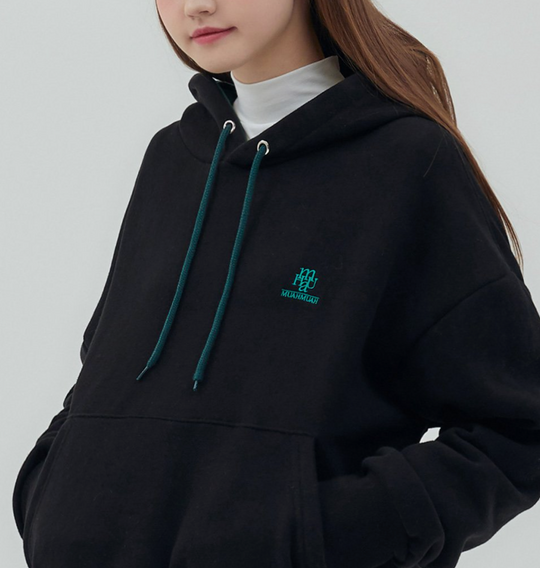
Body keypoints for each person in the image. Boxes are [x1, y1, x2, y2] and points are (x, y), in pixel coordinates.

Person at [12, 0, 540, 567]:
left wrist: (323, 535)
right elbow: (104, 373)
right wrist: (52, 492)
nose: (196, 5)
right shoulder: (171, 157)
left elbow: (518, 427)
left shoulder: (406, 162)